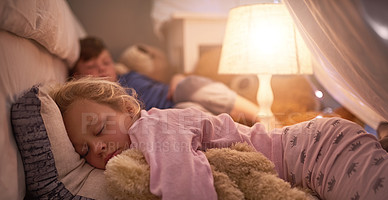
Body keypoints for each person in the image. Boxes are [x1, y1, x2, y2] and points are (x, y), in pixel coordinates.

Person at [51, 77, 388, 200]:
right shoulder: (147, 134)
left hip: (316, 155)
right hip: (311, 147)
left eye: (98, 129)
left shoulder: (154, 127)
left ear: (128, 108)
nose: (95, 149)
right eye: (83, 151)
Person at [70, 36, 260, 125]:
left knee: (188, 86)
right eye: (92, 67)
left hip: (175, 93)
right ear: (78, 76)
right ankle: (244, 136)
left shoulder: (129, 75)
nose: (102, 69)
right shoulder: (99, 101)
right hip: (170, 114)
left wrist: (178, 78)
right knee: (189, 111)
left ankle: (263, 117)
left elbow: (167, 76)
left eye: (106, 62)